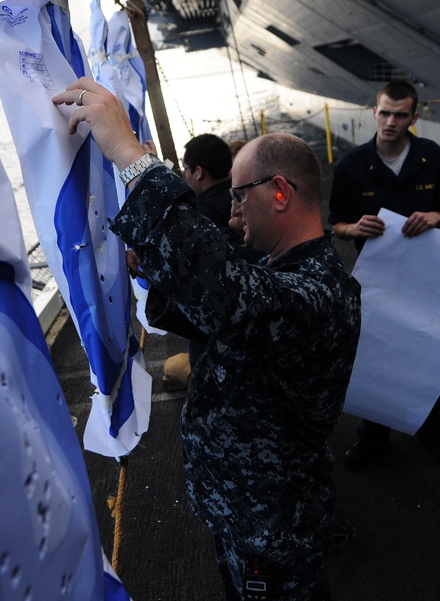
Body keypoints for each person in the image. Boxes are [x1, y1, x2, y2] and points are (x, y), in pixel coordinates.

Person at [54, 79, 362, 601]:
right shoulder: (280, 269)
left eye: (240, 196)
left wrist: (132, 159)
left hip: (271, 524)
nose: (232, 212)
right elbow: (214, 307)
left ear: (280, 192)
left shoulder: (322, 293)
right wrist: (156, 264)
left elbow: (231, 298)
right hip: (244, 512)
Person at [328, 79, 440, 471]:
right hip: (378, 280)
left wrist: (438, 216)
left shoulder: (432, 158)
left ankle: (433, 431)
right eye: (384, 112)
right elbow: (336, 223)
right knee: (378, 358)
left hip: (425, 277)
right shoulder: (351, 166)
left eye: (400, 115)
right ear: (374, 112)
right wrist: (354, 229)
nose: (390, 121)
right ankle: (374, 436)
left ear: (414, 117)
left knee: (426, 353)